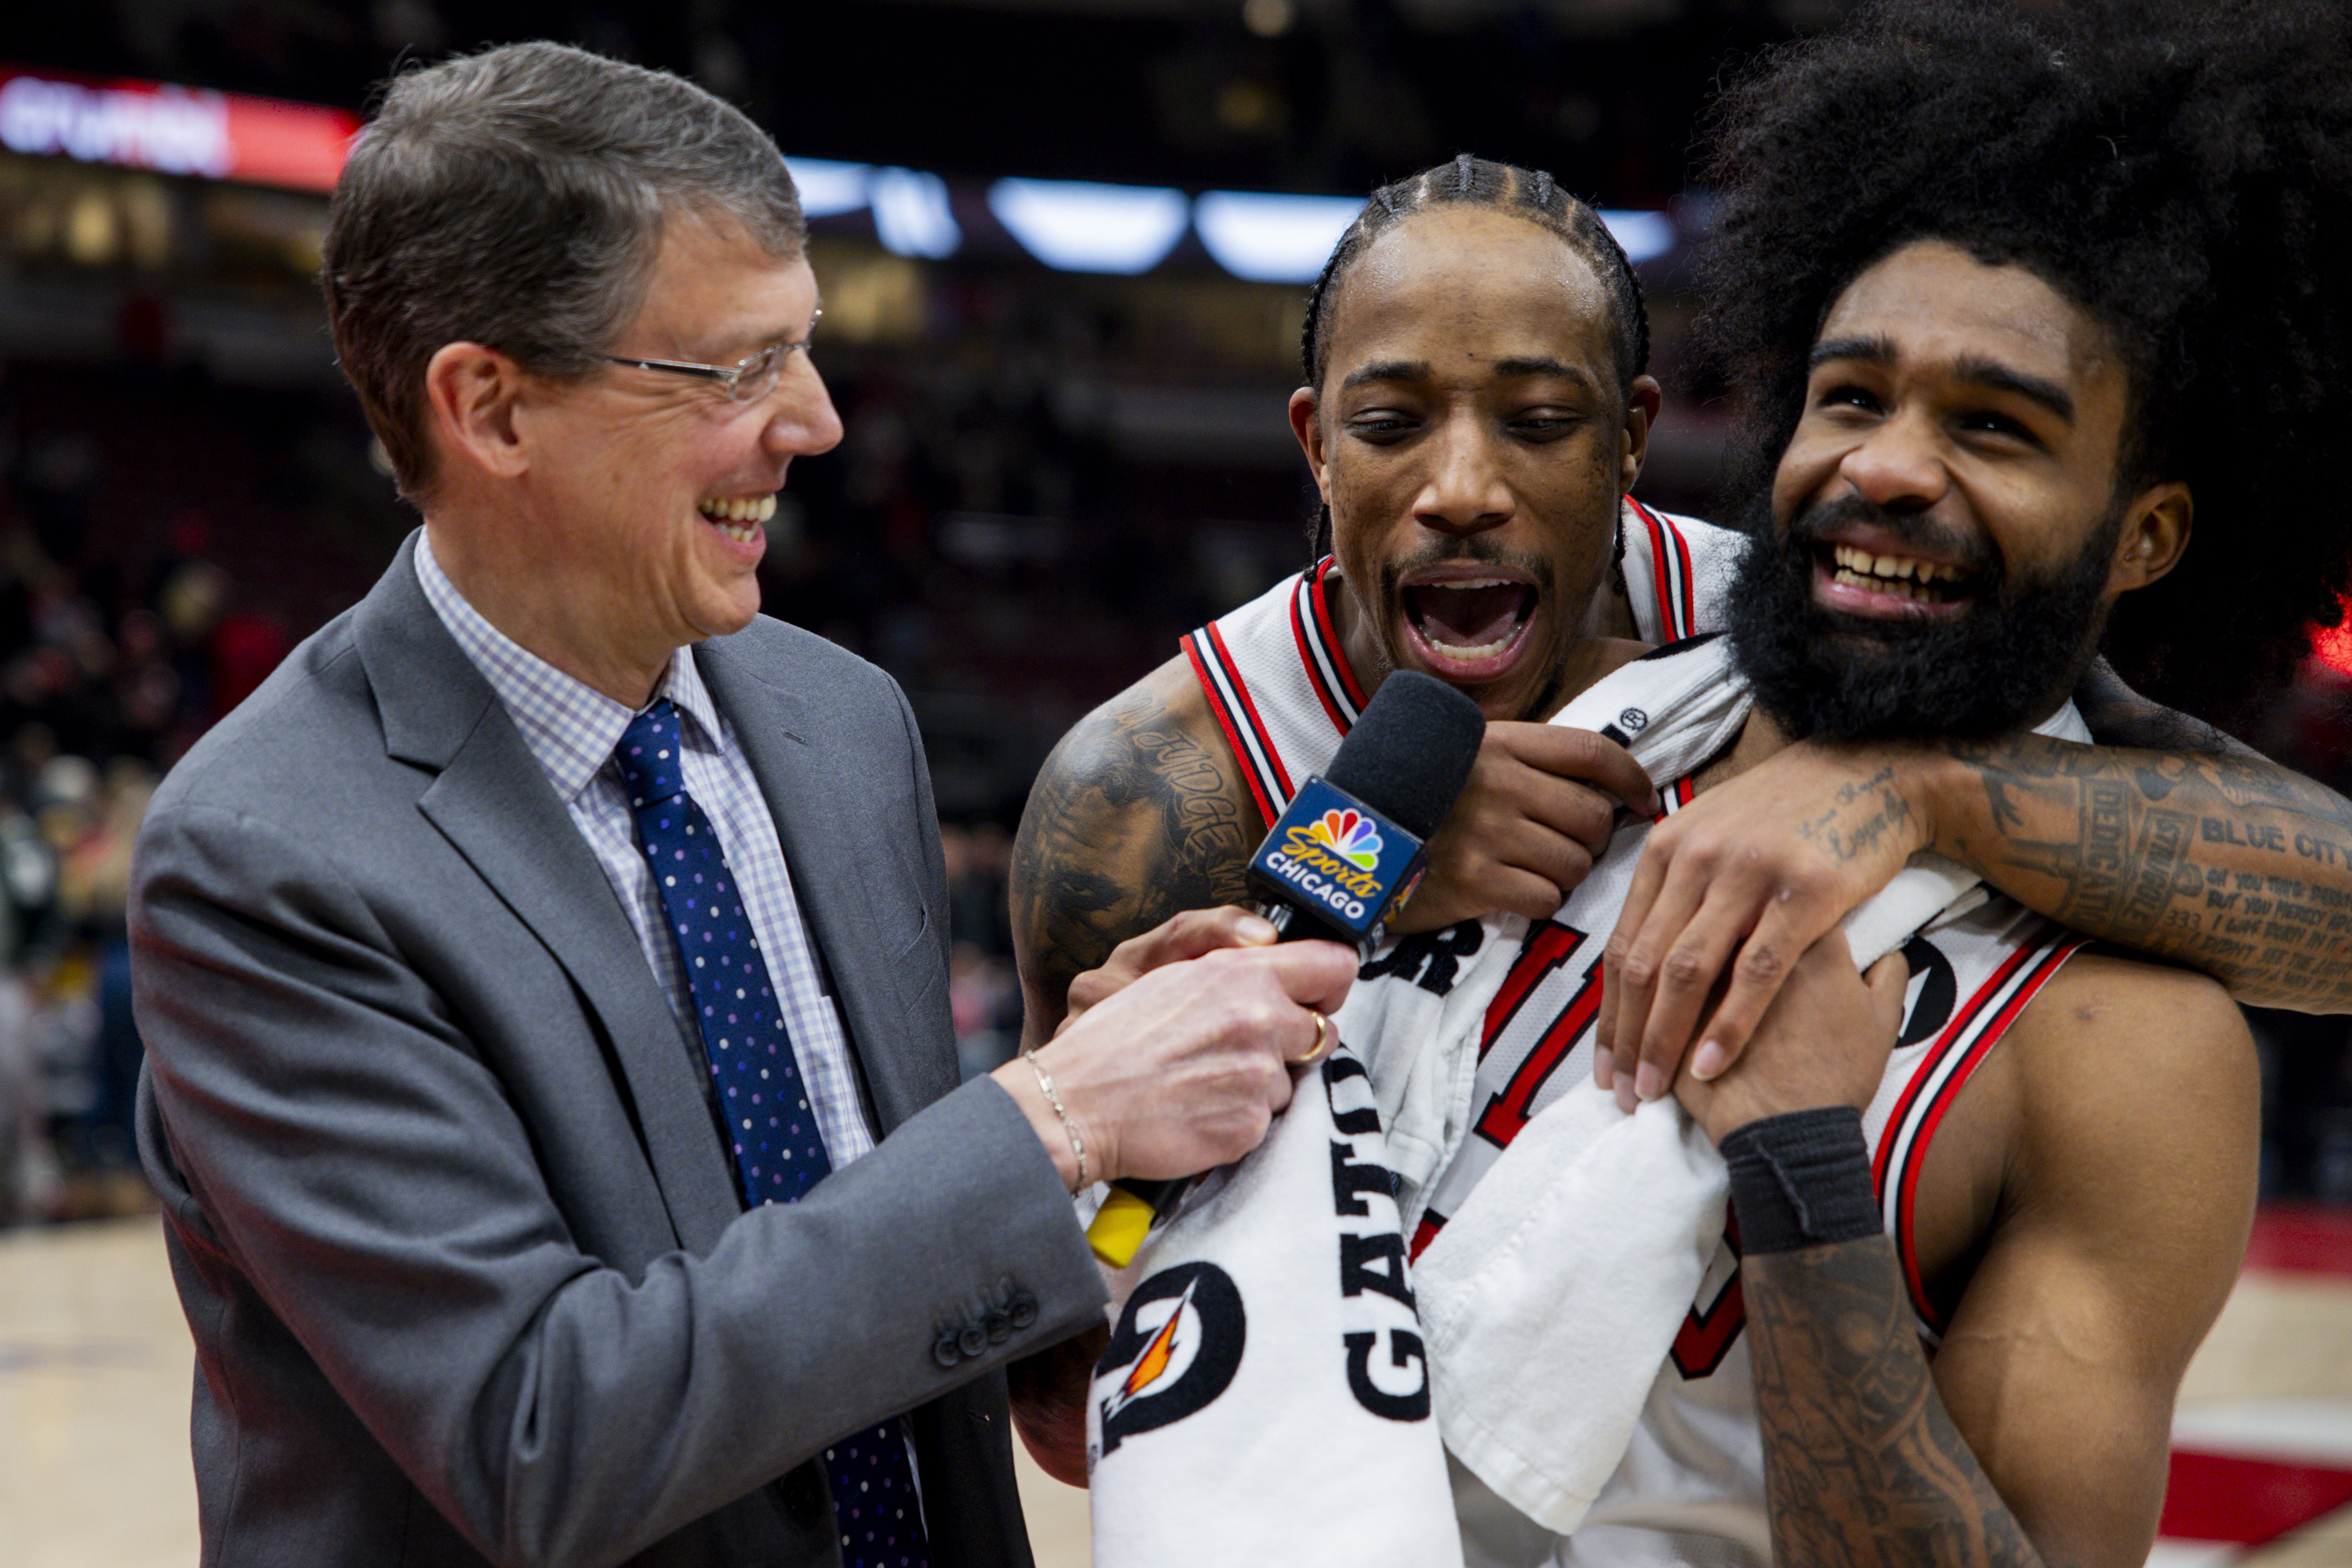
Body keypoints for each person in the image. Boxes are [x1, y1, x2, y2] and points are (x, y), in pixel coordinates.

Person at [127, 43, 1355, 1568]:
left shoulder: (843, 724)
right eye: (737, 367)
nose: (821, 420)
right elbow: (543, 1437)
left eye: (808, 347)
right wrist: (1051, 1120)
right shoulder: (264, 856)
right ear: (491, 409)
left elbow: (867, 1265)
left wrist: (1096, 1180)